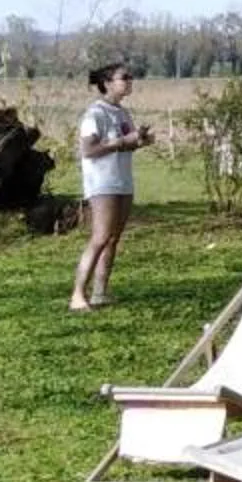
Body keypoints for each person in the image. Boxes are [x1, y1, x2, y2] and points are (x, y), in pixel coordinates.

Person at [71, 61, 153, 311]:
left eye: (131, 77)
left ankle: (100, 292)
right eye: (124, 77)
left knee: (113, 238)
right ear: (107, 83)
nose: (129, 81)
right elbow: (89, 149)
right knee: (100, 237)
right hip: (102, 182)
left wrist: (139, 141)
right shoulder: (95, 114)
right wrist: (121, 141)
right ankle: (77, 295)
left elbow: (124, 144)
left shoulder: (122, 113)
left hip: (122, 181)